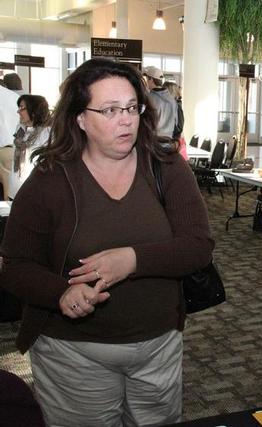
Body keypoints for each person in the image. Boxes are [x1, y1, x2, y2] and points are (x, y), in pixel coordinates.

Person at [0, 58, 214, 426]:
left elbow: (198, 245)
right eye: (110, 110)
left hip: (158, 346)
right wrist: (61, 293)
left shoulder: (165, 166)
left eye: (132, 107)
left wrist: (132, 260)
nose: (127, 119)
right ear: (80, 118)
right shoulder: (51, 178)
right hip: (73, 352)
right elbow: (16, 265)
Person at [9, 94, 51, 199]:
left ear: (34, 110)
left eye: (22, 108)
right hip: (15, 187)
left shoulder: (47, 132)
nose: (18, 112)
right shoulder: (20, 129)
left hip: (36, 190)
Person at [143, 65, 178, 145]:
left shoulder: (149, 99)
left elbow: (146, 122)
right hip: (168, 142)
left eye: (147, 79)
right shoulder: (172, 99)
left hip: (153, 142)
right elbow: (176, 124)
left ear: (151, 79)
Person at [163, 81, 187, 160]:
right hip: (172, 143)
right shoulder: (171, 106)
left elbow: (179, 127)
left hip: (174, 144)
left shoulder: (176, 106)